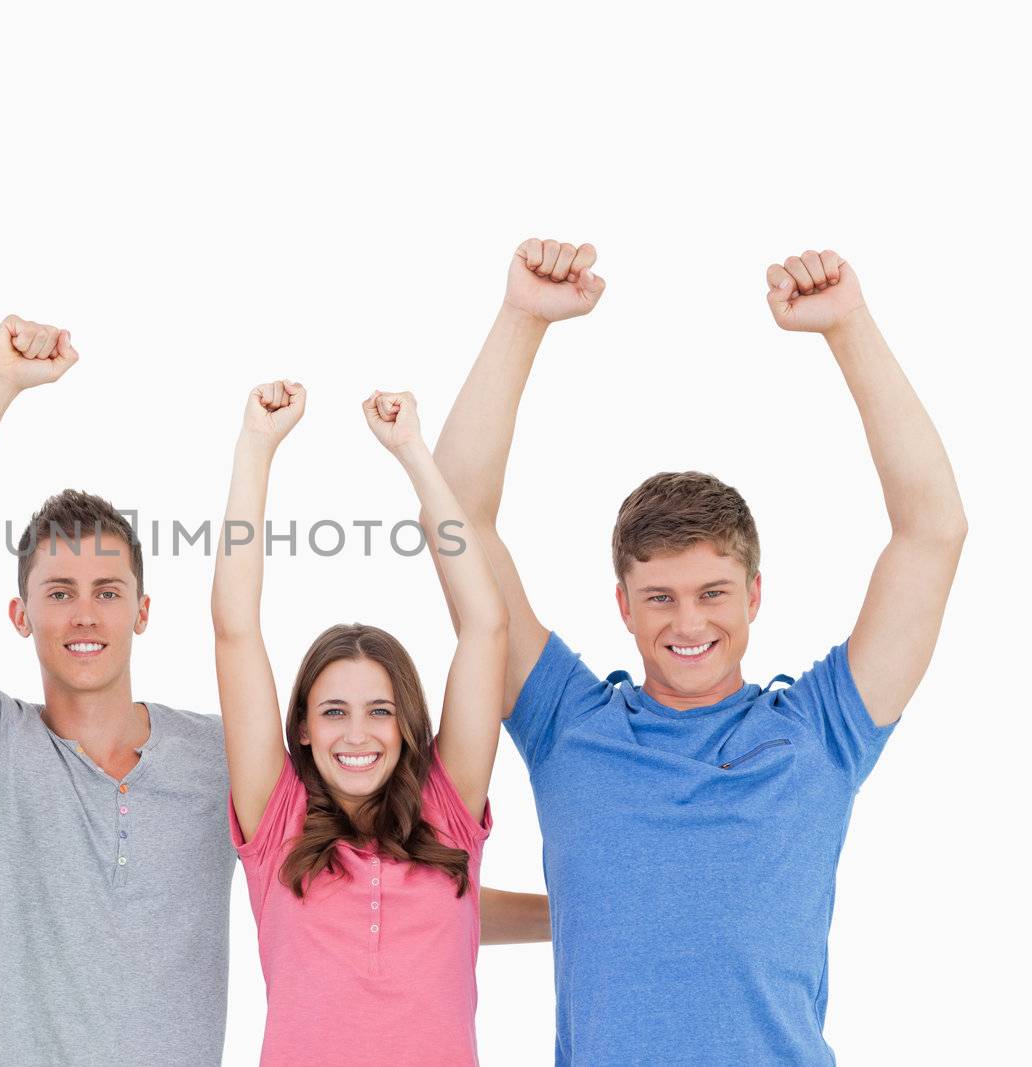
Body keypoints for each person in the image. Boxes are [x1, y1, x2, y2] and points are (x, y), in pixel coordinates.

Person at [430, 238, 967, 1064]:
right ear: (623, 605)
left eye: (713, 592)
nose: (689, 622)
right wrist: (521, 319)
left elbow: (933, 531)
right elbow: (455, 515)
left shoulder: (823, 728)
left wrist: (847, 326)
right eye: (661, 597)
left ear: (753, 595)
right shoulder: (565, 723)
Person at [0, 317, 237, 1067]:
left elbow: (364, 878)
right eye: (59, 591)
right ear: (19, 615)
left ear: (143, 610)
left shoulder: (221, 757)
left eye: (108, 591)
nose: (85, 613)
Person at [213, 380, 548, 1066]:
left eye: (380, 710)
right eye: (333, 711)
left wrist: (413, 452)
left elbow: (487, 626)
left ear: (407, 726)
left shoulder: (447, 813)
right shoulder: (276, 823)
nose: (357, 734)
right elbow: (235, 630)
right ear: (302, 726)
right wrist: (255, 450)